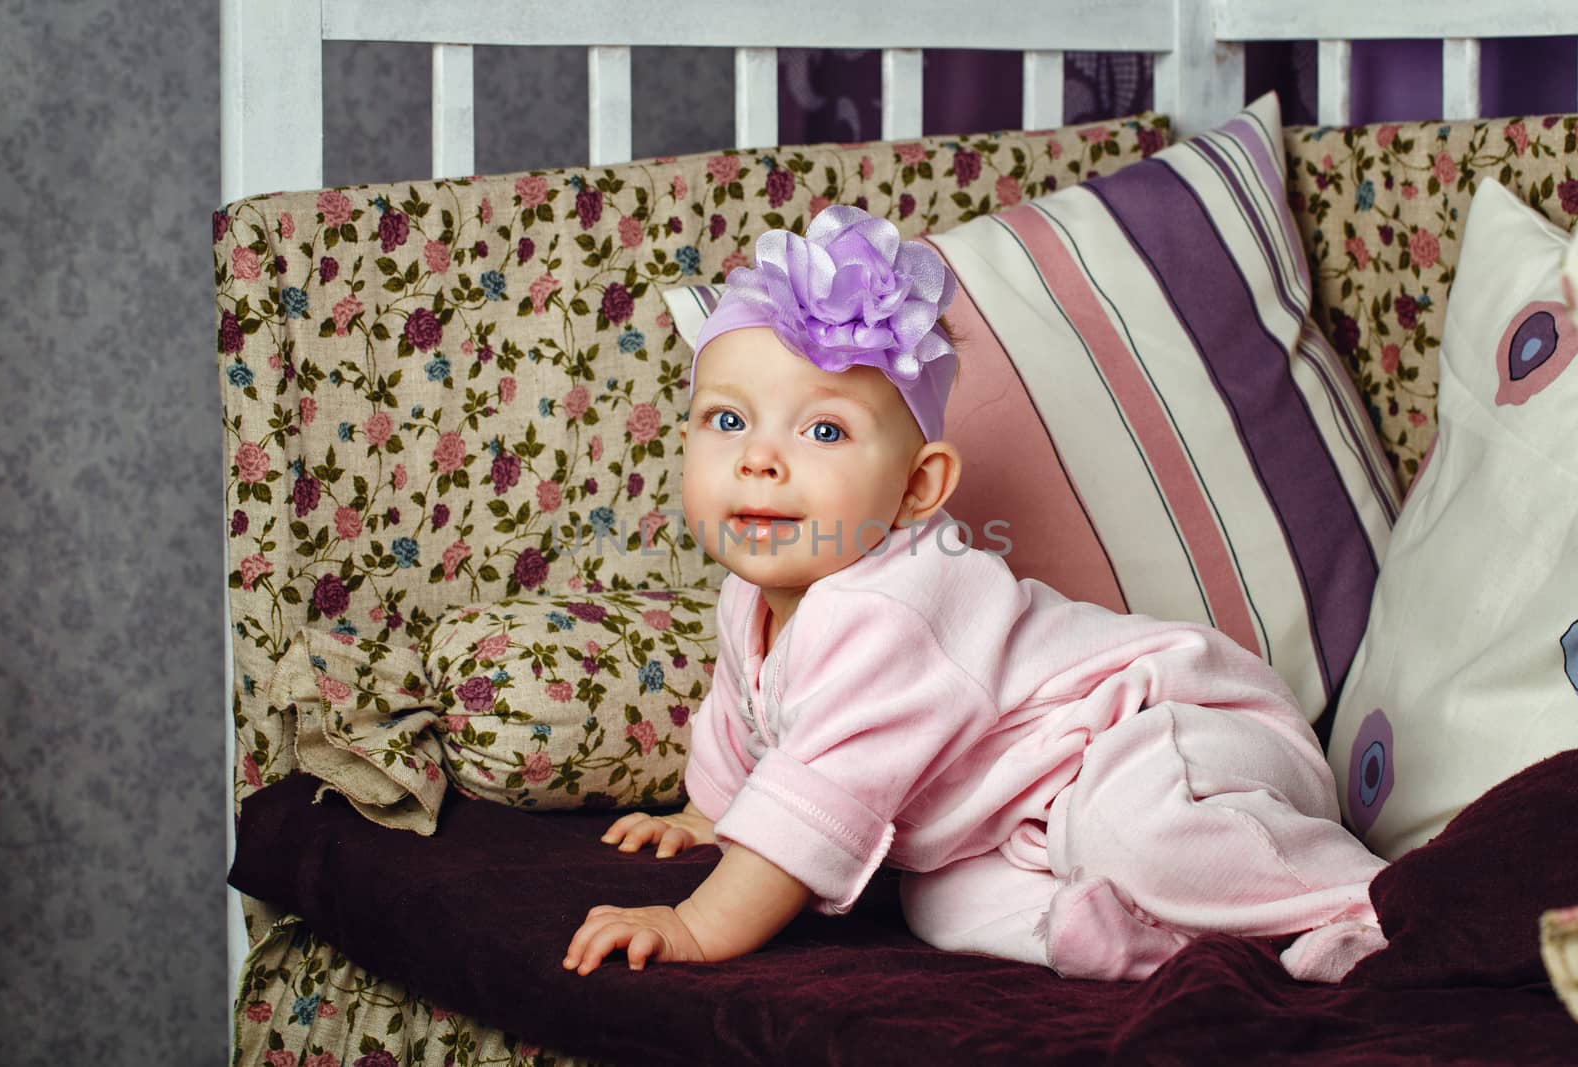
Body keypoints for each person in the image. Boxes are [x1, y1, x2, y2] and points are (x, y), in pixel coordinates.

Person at [562, 206, 1388, 982]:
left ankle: (1365, 906)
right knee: (936, 894)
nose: (758, 460)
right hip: (1025, 813)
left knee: (1126, 825)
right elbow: (747, 717)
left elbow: (816, 800)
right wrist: (714, 811)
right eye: (729, 421)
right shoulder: (754, 594)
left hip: (1167, 734)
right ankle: (1135, 939)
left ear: (919, 487)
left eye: (823, 431)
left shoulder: (891, 605)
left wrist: (696, 926)